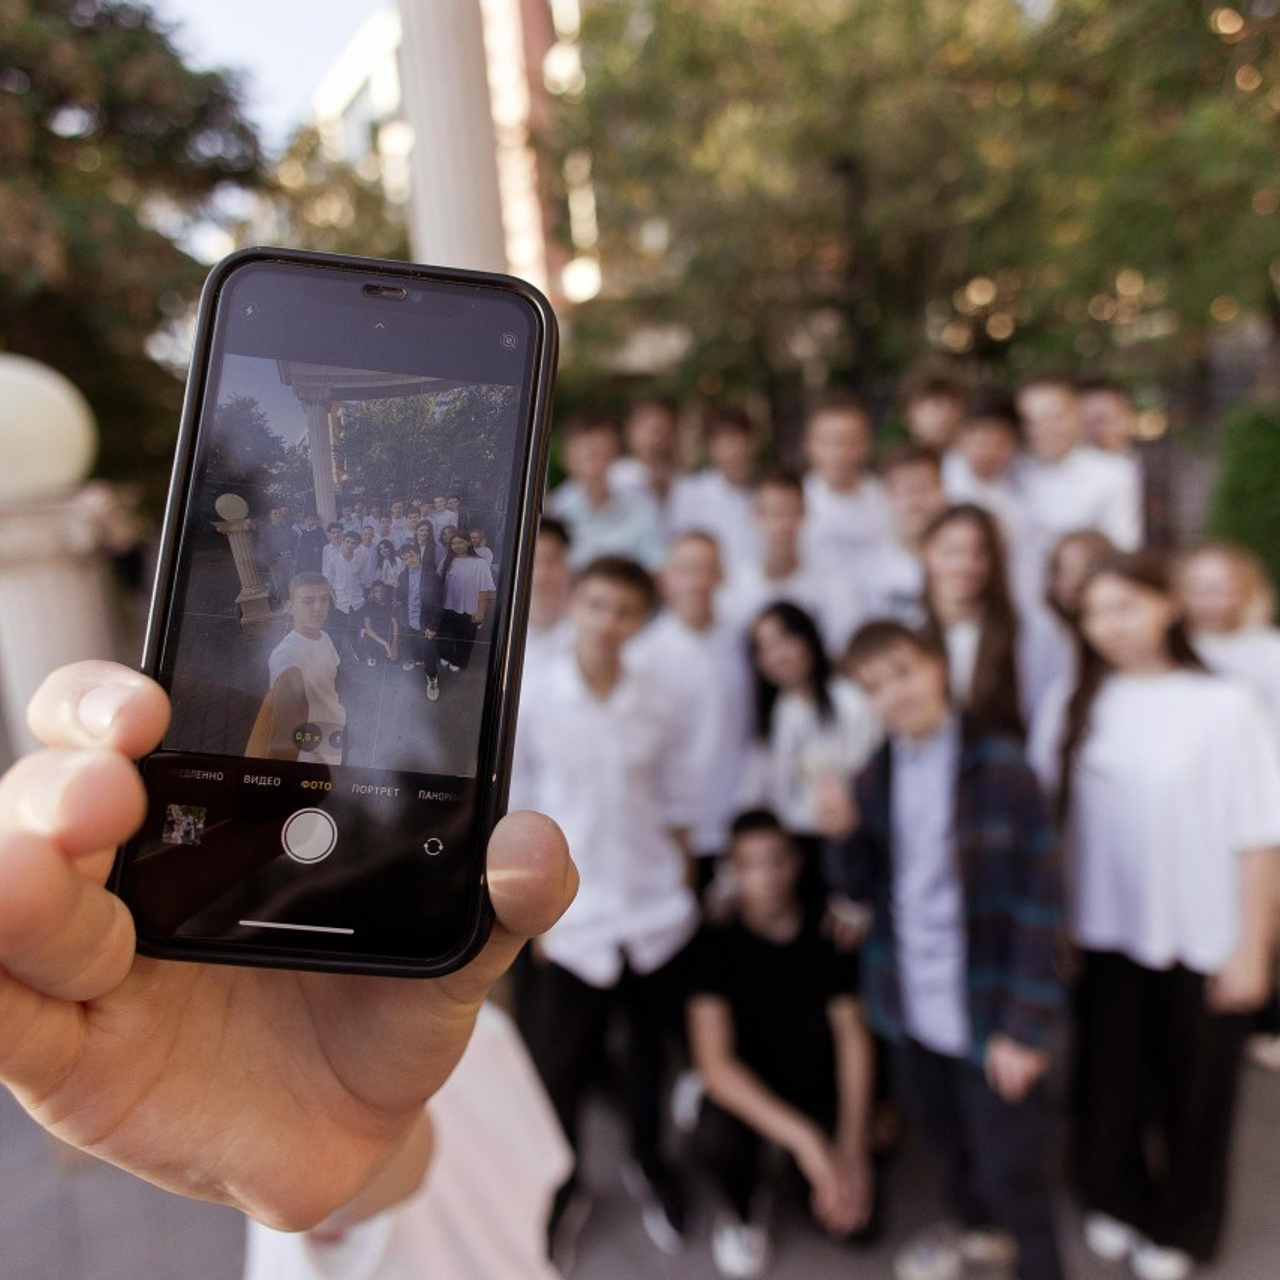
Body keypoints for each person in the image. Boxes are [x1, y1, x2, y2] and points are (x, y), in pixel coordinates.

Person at [0, 658, 577, 1240]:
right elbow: (378, 1195)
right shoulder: (472, 1028)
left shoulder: (474, 1034)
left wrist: (346, 1156)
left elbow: (426, 1176)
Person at [1029, 551, 1280, 1279]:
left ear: (1166, 605)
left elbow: (1259, 836)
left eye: (1126, 606)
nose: (1110, 626)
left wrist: (1253, 949)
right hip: (1100, 936)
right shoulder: (1071, 699)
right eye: (1094, 612)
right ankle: (1113, 1195)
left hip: (1203, 937)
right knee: (1108, 1084)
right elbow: (1048, 826)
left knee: (1195, 1095)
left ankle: (1184, 1227)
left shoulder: (1225, 706)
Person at [822, 621, 1067, 1280]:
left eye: (901, 673)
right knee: (944, 1143)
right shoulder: (874, 774)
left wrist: (1024, 1027)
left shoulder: (1003, 770)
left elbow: (1040, 908)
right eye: (874, 686)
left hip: (988, 1006)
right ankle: (976, 1232)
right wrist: (842, 835)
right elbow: (860, 891)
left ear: (935, 667)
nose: (893, 695)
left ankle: (1037, 1264)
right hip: (908, 1003)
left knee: (1011, 1165)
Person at [511, 555, 702, 1258]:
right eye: (596, 604)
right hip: (573, 919)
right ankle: (565, 1192)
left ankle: (654, 1166)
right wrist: (532, 913)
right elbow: (522, 802)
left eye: (624, 609)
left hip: (653, 913)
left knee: (650, 1061)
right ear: (576, 604)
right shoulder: (536, 690)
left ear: (640, 619)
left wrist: (682, 882)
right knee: (557, 1069)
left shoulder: (661, 694)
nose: (608, 621)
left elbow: (679, 796)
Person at [688, 809, 874, 1278]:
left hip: (815, 1085)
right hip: (752, 1096)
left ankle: (808, 1174)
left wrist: (851, 1149)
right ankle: (745, 1206)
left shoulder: (827, 931)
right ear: (733, 869)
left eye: (776, 861)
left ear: (795, 862)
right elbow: (716, 1067)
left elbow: (853, 1035)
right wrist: (809, 1144)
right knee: (711, 1132)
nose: (766, 877)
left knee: (856, 1226)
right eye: (749, 863)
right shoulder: (714, 942)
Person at [629, 532, 753, 891]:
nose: (697, 581)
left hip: (735, 826)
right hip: (671, 834)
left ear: (721, 576)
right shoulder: (643, 657)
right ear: (665, 579)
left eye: (707, 569)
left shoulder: (741, 642)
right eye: (686, 570)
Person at [742, 601, 880, 855]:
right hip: (794, 846)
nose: (777, 656)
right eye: (763, 648)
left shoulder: (849, 699)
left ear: (807, 638)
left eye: (784, 641)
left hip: (850, 837)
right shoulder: (776, 712)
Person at [917, 503, 1057, 738]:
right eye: (952, 552)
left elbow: (1046, 715)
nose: (965, 565)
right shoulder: (911, 629)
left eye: (978, 553)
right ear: (926, 553)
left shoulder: (1029, 630)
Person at [1013, 375, 1142, 597]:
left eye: (1054, 417)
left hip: (1083, 598)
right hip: (1019, 599)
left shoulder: (1112, 474)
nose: (1045, 428)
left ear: (1076, 417)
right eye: (1032, 420)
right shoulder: (1012, 470)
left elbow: (1123, 547)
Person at [718, 469, 863, 657]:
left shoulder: (834, 582)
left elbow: (844, 649)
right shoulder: (732, 586)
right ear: (755, 517)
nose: (781, 525)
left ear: (804, 515)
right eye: (772, 513)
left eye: (789, 512)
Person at [245, 572, 346, 765]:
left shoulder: (325, 637)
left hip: (334, 732)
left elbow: (333, 680)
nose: (318, 608)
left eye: (323, 599)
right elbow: (283, 725)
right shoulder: (286, 656)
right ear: (289, 607)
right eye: (308, 601)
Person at [548, 414, 665, 569]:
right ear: (566, 459)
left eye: (603, 454)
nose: (594, 466)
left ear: (615, 456)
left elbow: (656, 565)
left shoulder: (642, 505)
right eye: (587, 457)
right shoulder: (555, 511)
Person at [798, 392, 894, 579]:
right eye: (827, 441)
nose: (838, 452)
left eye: (849, 441)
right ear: (808, 445)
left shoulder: (889, 499)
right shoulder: (793, 502)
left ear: (867, 445)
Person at [857, 443, 946, 625]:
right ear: (888, 497)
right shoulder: (868, 566)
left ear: (943, 491)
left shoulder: (966, 560)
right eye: (905, 491)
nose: (916, 501)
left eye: (924, 488)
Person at [667, 405, 760, 577]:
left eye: (737, 440)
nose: (732, 452)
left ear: (753, 442)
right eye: (722, 444)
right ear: (710, 448)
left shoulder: (768, 491)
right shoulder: (689, 492)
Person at [438, 533, 497, 674]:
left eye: (460, 542)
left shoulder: (479, 563)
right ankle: (446, 655)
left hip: (470, 608)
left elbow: (484, 590)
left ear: (468, 543)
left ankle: (459, 661)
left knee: (465, 638)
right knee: (446, 635)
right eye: (453, 543)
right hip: (448, 606)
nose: (456, 546)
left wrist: (481, 611)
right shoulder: (446, 560)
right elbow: (437, 581)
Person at [523, 517, 575, 670]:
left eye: (551, 560)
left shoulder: (590, 624)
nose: (541, 574)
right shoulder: (497, 633)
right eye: (532, 562)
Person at [395, 544, 443, 701]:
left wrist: (432, 626)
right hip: (408, 619)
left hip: (425, 621)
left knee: (429, 650)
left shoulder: (432, 575)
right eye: (405, 559)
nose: (409, 560)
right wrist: (397, 588)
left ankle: (432, 678)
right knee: (414, 645)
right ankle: (418, 660)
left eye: (411, 556)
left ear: (418, 554)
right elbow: (402, 598)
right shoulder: (402, 575)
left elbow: (438, 602)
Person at [901, 369, 966, 451]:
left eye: (948, 405)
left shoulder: (973, 460)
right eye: (935, 405)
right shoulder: (896, 461)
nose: (942, 416)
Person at [357, 579, 399, 669]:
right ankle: (372, 655)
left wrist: (394, 645)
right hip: (375, 634)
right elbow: (368, 628)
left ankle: (388, 652)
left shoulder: (390, 603)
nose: (379, 594)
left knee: (392, 656)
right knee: (363, 637)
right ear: (372, 592)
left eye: (381, 591)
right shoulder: (368, 605)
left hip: (386, 632)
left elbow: (395, 624)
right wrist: (386, 644)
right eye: (376, 592)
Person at [294, 511, 328, 576]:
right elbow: (301, 548)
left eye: (314, 519)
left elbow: (325, 544)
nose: (311, 521)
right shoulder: (304, 533)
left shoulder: (319, 530)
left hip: (317, 559)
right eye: (310, 519)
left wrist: (319, 548)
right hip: (307, 560)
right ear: (305, 520)